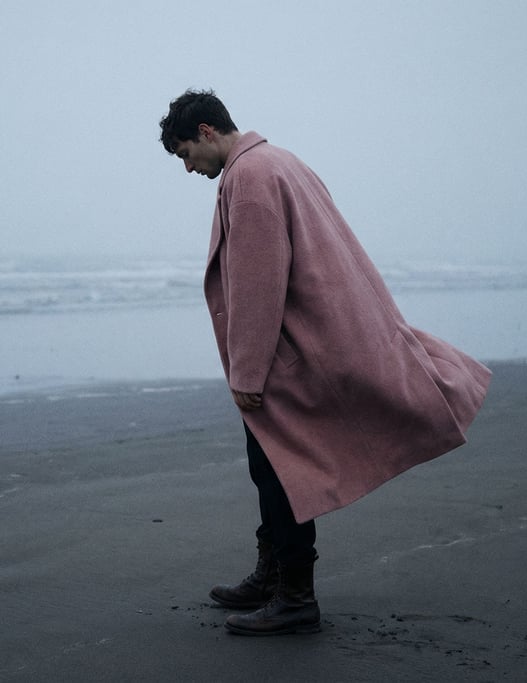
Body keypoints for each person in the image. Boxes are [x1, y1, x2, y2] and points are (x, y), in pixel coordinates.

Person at [158, 89, 491, 636]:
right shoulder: (278, 161)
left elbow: (261, 283)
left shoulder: (252, 177)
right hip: (305, 339)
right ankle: (272, 578)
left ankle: (294, 596)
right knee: (267, 465)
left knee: (281, 473)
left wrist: (246, 372)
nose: (188, 168)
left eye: (184, 154)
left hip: (291, 349)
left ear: (206, 133)